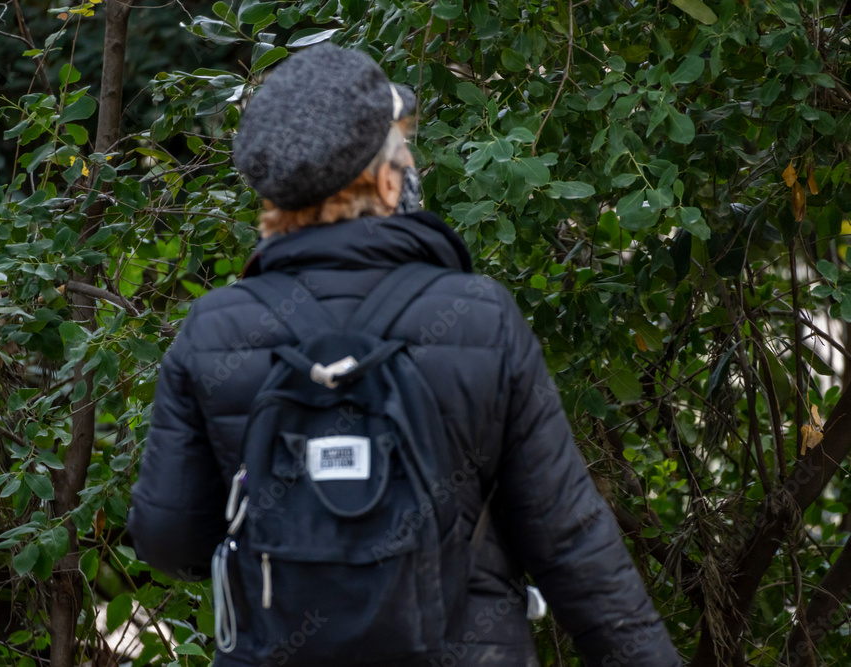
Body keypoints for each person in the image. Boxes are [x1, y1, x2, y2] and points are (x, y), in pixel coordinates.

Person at [126, 43, 681, 666]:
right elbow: (571, 541)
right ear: (384, 177)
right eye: (402, 145)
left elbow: (167, 540)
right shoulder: (479, 317)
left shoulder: (214, 330)